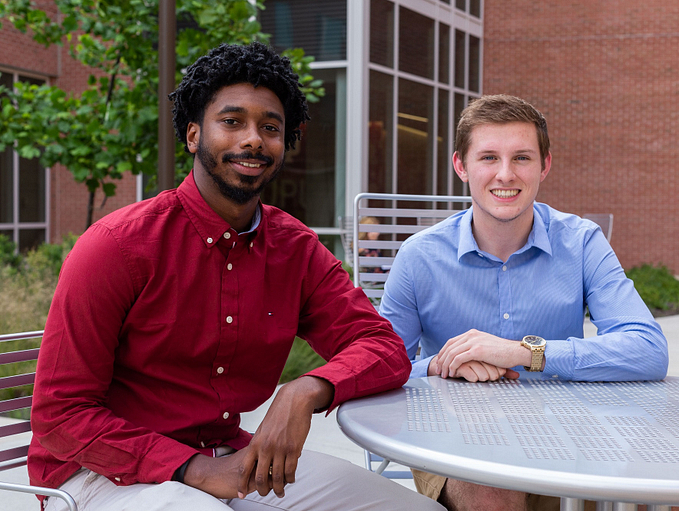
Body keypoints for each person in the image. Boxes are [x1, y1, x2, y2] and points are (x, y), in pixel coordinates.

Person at [29, 42, 443, 511]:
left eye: (270, 127)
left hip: (229, 457)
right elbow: (60, 418)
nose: (252, 139)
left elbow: (383, 347)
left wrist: (307, 389)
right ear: (192, 135)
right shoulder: (118, 245)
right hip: (100, 474)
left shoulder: (295, 249)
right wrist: (194, 470)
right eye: (232, 122)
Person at [379, 95, 669, 511]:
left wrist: (522, 353)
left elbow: (648, 349)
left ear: (544, 166)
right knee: (491, 491)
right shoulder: (419, 256)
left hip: (570, 431)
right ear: (461, 165)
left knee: (662, 493)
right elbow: (382, 366)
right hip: (452, 435)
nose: (505, 174)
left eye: (522, 158)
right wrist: (447, 364)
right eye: (489, 157)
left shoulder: (583, 242)